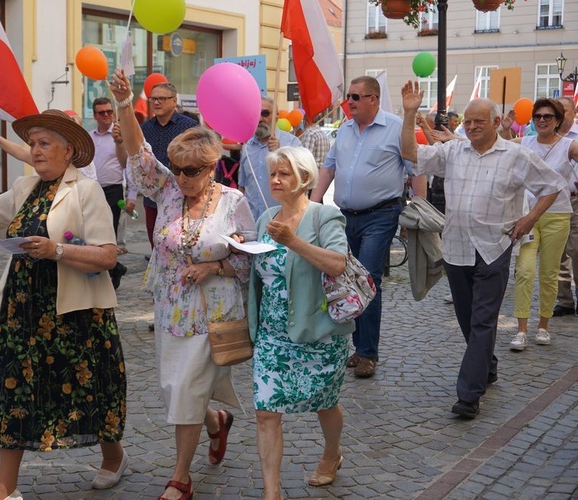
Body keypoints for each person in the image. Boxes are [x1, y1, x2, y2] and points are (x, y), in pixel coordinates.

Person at [0, 109, 127, 499]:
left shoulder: (86, 190)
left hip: (75, 312)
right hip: (23, 310)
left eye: (44, 144)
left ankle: (113, 457)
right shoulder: (25, 186)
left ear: (68, 151)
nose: (35, 151)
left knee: (89, 391)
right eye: (33, 144)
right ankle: (6, 489)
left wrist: (56, 249)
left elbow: (108, 256)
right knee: (15, 389)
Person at [110, 69, 255, 500]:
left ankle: (180, 477)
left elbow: (249, 260)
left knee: (187, 391)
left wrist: (216, 268)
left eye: (192, 171)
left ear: (212, 167)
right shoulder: (169, 190)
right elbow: (138, 156)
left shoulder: (234, 203)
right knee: (176, 389)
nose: (183, 177)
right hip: (170, 308)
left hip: (213, 312)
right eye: (177, 168)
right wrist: (124, 104)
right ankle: (216, 421)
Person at [400, 81, 565, 419]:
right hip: (457, 246)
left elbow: (553, 185)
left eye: (479, 121)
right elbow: (411, 155)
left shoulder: (516, 155)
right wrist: (408, 113)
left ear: (495, 122)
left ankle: (468, 395)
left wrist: (530, 218)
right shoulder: (453, 152)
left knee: (483, 320)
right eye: (468, 122)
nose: (471, 127)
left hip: (495, 246)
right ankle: (487, 364)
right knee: (466, 318)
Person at [249, 146, 352, 498]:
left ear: (304, 178)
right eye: (273, 173)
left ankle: (331, 452)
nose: (275, 180)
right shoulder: (265, 219)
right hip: (272, 335)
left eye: (284, 174)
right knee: (266, 412)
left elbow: (338, 264)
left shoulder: (325, 217)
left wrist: (292, 241)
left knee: (325, 401)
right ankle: (271, 492)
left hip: (317, 332)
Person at [309, 76, 427, 378]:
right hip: (345, 216)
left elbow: (417, 168)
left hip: (381, 215)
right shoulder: (345, 130)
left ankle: (367, 353)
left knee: (368, 279)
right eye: (349, 96)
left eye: (356, 97)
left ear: (373, 99)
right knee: (345, 278)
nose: (350, 101)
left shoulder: (394, 128)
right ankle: (354, 345)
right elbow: (329, 166)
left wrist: (418, 209)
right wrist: (314, 202)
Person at [506, 99, 577, 350]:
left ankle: (543, 326)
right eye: (537, 116)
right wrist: (454, 139)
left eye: (548, 116)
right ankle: (522, 330)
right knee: (524, 271)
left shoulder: (569, 146)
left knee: (549, 274)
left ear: (558, 120)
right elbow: (494, 146)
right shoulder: (524, 143)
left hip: (557, 216)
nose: (542, 120)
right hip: (527, 216)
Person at [140, 81, 199, 248]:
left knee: (179, 241)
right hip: (153, 196)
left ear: (174, 101)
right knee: (155, 241)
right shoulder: (145, 127)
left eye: (162, 99)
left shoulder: (189, 126)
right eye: (153, 99)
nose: (157, 102)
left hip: (181, 194)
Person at [238, 97, 303, 220]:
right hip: (252, 222)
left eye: (265, 113)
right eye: (256, 114)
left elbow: (302, 182)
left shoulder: (292, 143)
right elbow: (243, 186)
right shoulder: (247, 147)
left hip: (282, 221)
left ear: (276, 116)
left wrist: (280, 152)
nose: (260, 119)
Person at [90, 97, 129, 288]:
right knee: (93, 234)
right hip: (92, 191)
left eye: (109, 111)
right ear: (94, 115)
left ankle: (107, 272)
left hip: (113, 190)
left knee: (108, 235)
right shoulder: (90, 137)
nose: (106, 115)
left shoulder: (119, 134)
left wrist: (131, 196)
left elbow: (127, 166)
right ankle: (115, 268)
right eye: (101, 112)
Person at [553, 96, 578, 317]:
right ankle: (565, 301)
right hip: (553, 202)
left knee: (577, 250)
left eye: (564, 111)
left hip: (576, 199)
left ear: (574, 112)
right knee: (558, 253)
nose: (559, 116)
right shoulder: (547, 137)